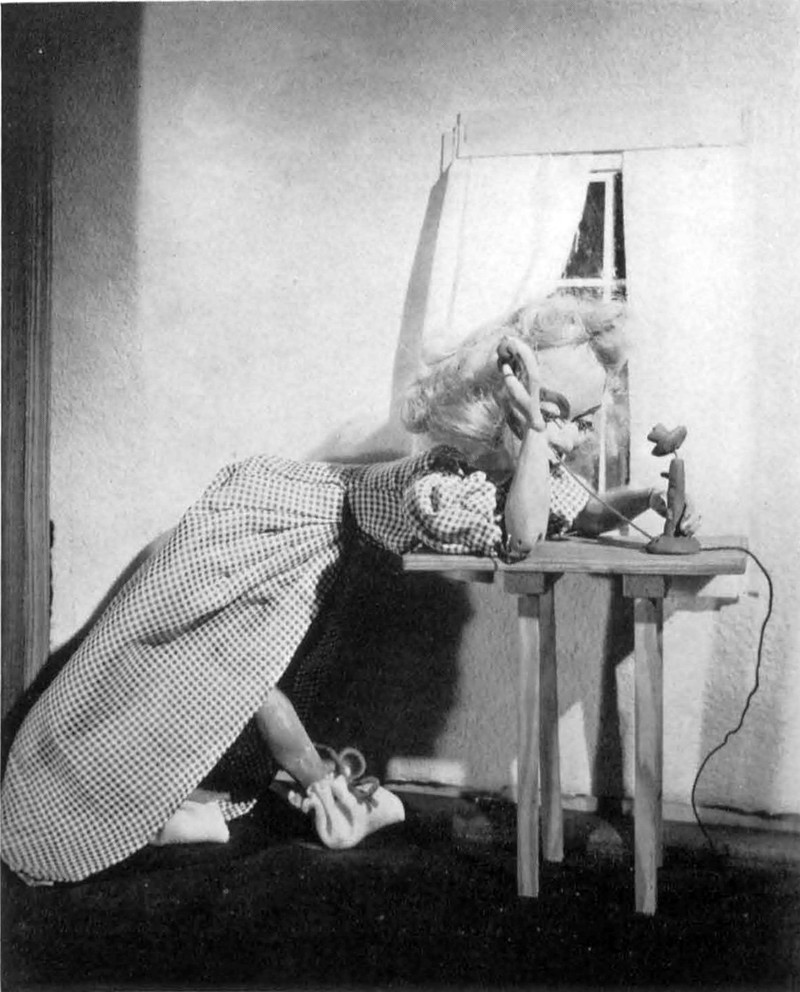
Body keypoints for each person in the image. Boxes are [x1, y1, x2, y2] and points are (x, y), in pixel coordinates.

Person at [1, 296, 697, 886]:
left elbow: (579, 511)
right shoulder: (443, 482)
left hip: (332, 542)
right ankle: (111, 802)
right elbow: (522, 536)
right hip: (283, 525)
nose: (573, 435)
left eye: (584, 419)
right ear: (509, 402)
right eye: (556, 413)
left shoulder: (515, 471)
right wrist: (538, 430)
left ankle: (207, 797)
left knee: (242, 685)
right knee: (219, 673)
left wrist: (651, 501)